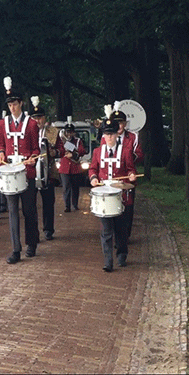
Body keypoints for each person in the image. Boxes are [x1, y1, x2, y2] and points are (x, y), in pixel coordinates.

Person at [0, 77, 40, 264]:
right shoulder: (2, 124)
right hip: (9, 172)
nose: (12, 107)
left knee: (29, 210)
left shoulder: (31, 124)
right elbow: (1, 144)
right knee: (12, 210)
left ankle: (32, 243)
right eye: (9, 104)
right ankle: (15, 249)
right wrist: (0, 154)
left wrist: (32, 158)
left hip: (26, 172)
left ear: (21, 103)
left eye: (15, 103)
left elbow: (37, 149)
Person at [89, 118, 137, 272]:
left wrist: (131, 175)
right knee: (106, 230)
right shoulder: (97, 152)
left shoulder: (126, 151)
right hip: (104, 197)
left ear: (117, 134)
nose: (109, 137)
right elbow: (92, 169)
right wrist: (94, 178)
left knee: (121, 229)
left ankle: (122, 254)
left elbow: (131, 169)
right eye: (106, 134)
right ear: (103, 135)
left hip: (120, 196)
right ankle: (108, 261)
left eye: (112, 134)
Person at [106, 102, 144, 240]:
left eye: (121, 122)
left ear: (125, 124)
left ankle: (125, 235)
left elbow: (139, 155)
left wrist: (126, 158)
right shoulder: (107, 136)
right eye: (116, 123)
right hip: (111, 179)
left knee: (127, 209)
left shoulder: (133, 137)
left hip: (128, 178)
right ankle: (116, 235)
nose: (119, 126)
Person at [29, 97, 65, 241]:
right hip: (31, 171)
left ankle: (48, 229)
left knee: (48, 202)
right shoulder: (27, 132)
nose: (37, 121)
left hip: (47, 171)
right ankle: (33, 231)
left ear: (44, 118)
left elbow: (61, 150)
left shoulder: (53, 132)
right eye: (35, 118)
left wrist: (54, 152)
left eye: (40, 118)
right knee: (31, 204)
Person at [58, 117, 87, 212]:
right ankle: (67, 206)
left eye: (71, 132)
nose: (69, 134)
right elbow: (60, 151)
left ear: (74, 132)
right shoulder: (62, 141)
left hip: (75, 167)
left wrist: (73, 154)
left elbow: (82, 151)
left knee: (75, 187)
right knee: (66, 187)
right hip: (65, 167)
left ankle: (75, 204)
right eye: (67, 132)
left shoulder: (78, 141)